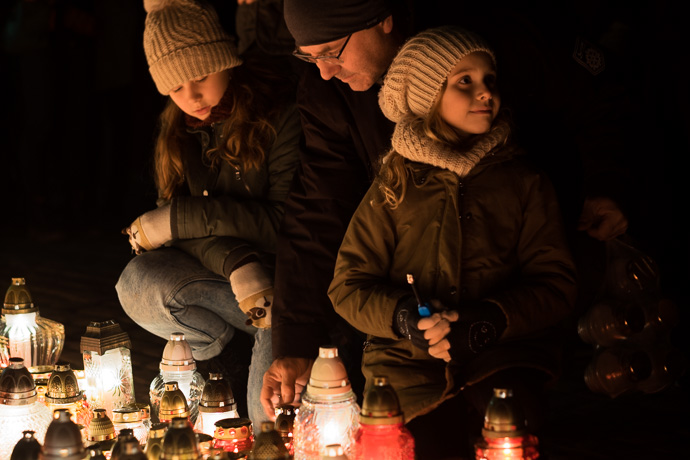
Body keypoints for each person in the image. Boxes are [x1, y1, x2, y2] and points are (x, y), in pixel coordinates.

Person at [328, 26, 577, 458]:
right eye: (465, 81)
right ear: (427, 97)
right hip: (406, 363)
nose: (485, 92)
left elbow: (556, 284)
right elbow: (348, 286)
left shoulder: (523, 182)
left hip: (503, 354)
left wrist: (489, 322)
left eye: (489, 81)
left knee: (509, 426)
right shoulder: (394, 184)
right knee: (421, 446)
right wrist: (405, 319)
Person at [115, 0, 301, 427]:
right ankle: (227, 354)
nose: (191, 97)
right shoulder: (180, 130)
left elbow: (283, 224)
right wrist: (236, 261)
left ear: (225, 61)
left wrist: (176, 219)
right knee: (138, 282)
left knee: (265, 420)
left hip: (285, 288)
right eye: (176, 88)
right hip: (235, 282)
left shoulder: (279, 116)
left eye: (200, 76)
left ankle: (256, 353)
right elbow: (183, 237)